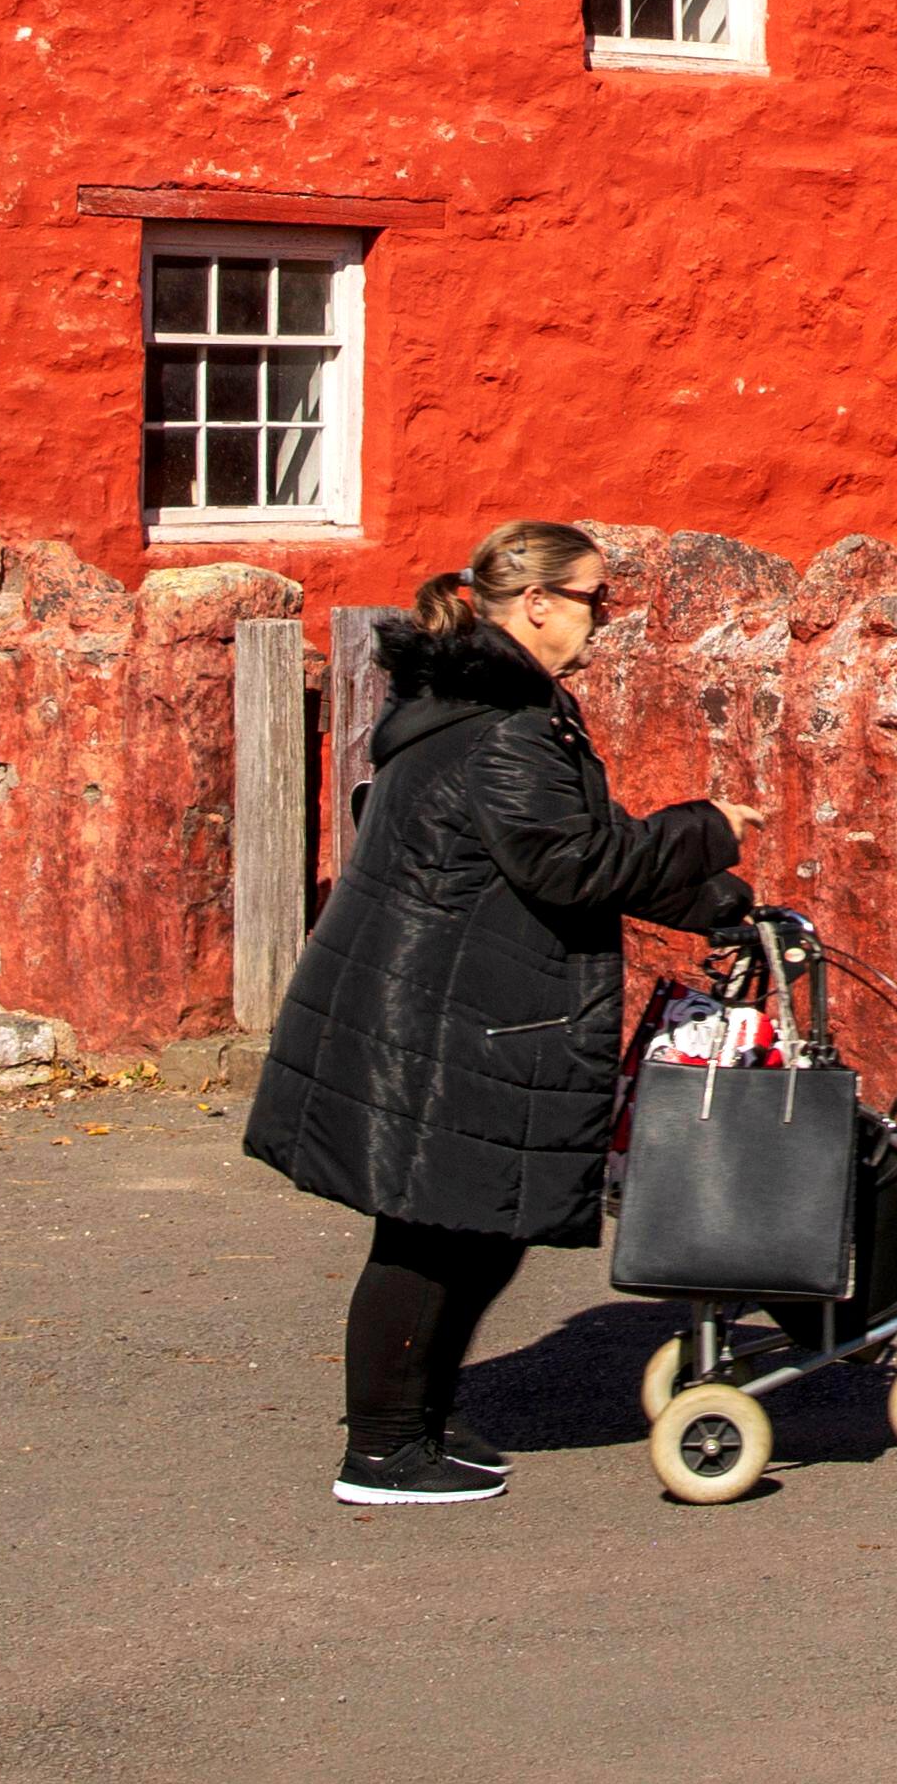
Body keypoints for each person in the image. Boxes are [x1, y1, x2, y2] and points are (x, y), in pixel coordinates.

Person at [242, 520, 755, 1507]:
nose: (604, 620)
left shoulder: (497, 709)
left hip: (451, 1001)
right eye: (593, 598)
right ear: (536, 605)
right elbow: (575, 867)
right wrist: (706, 831)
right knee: (433, 1230)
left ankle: (417, 1424)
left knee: (476, 1225)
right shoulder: (508, 725)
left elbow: (570, 848)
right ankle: (385, 1448)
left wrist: (714, 906)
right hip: (444, 1014)